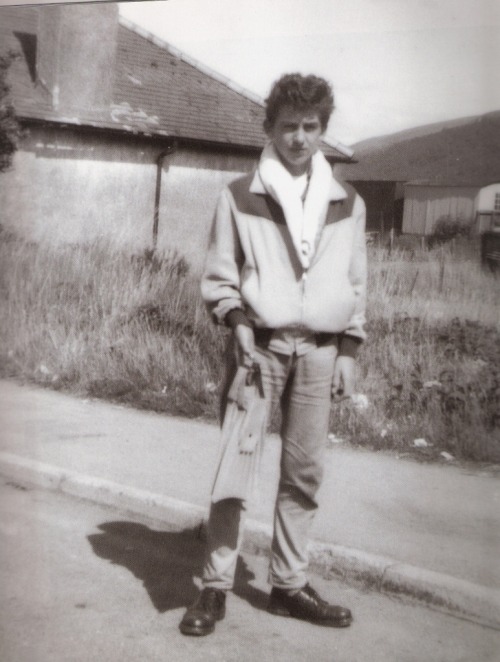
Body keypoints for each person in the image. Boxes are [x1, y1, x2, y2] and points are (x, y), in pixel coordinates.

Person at [180, 73, 367, 636]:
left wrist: (349, 350)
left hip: (320, 350)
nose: (299, 138)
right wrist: (234, 320)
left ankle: (288, 585)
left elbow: (355, 282)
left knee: (304, 472)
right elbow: (219, 275)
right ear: (270, 128)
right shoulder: (239, 195)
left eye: (311, 127)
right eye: (289, 126)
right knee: (235, 471)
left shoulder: (347, 201)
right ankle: (214, 588)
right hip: (257, 347)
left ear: (323, 131)